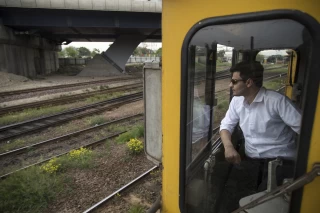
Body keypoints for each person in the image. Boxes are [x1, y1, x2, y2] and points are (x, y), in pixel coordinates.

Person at [219, 61, 301, 191]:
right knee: (219, 177)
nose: (230, 85)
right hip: (253, 162)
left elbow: (306, 129)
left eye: (234, 81)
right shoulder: (237, 101)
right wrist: (228, 147)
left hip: (281, 162)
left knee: (261, 198)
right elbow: (226, 125)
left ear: (249, 82)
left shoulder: (277, 101)